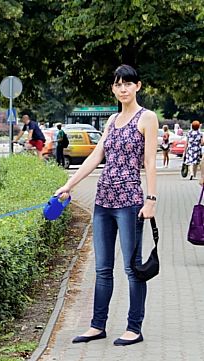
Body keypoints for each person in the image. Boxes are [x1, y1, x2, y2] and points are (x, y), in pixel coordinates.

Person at [54, 64, 158, 346]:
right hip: (103, 201)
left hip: (129, 202)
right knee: (102, 268)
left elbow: (149, 162)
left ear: (138, 86)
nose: (123, 89)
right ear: (113, 89)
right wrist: (69, 184)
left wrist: (151, 200)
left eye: (128, 83)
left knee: (132, 267)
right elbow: (95, 157)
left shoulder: (147, 118)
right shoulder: (111, 121)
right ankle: (97, 325)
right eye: (118, 84)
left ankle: (134, 328)